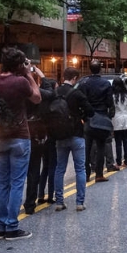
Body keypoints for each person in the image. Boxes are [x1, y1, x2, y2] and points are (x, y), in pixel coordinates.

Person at [0, 47, 42, 239]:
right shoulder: (20, 81)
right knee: (17, 182)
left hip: (1, 135)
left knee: (3, 182)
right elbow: (37, 97)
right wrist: (29, 74)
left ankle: (0, 225)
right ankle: (12, 226)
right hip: (20, 135)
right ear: (19, 65)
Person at [53, 67, 94, 212]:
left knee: (59, 169)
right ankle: (79, 202)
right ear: (75, 78)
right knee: (80, 169)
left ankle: (59, 201)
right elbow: (90, 111)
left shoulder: (55, 92)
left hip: (59, 135)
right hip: (76, 134)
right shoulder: (77, 93)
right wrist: (81, 116)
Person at [23, 76, 57, 214]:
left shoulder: (9, 89)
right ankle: (30, 203)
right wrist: (40, 76)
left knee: (12, 175)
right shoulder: (35, 92)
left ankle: (6, 210)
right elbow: (50, 93)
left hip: (15, 131)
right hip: (34, 133)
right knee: (34, 170)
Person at [77, 59, 114, 182]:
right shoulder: (106, 84)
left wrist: (83, 116)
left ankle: (86, 174)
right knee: (101, 146)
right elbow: (109, 102)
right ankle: (99, 174)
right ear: (101, 69)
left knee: (87, 147)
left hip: (89, 117)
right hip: (102, 116)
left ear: (90, 69)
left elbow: (81, 101)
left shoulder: (84, 83)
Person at [111, 78, 127, 167]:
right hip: (126, 119)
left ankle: (118, 162)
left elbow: (111, 110)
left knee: (118, 142)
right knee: (126, 141)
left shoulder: (112, 96)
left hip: (116, 119)